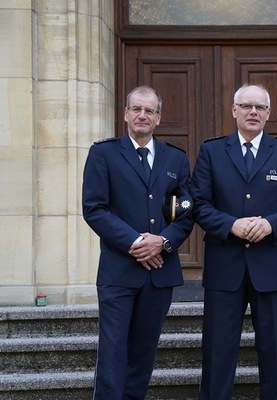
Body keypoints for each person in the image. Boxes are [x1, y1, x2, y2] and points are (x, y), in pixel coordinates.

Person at [190, 84, 277, 400]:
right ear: (234, 110)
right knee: (217, 351)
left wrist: (270, 224)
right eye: (246, 106)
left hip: (270, 265)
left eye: (259, 107)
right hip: (224, 266)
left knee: (272, 351)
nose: (253, 112)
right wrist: (231, 225)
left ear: (268, 113)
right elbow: (199, 203)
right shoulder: (211, 151)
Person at [82, 85, 194, 399]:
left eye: (149, 111)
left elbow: (186, 209)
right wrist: (136, 242)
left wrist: (163, 241)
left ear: (158, 118)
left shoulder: (176, 158)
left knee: (143, 354)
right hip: (119, 272)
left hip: (159, 274)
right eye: (136, 109)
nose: (142, 115)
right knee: (113, 352)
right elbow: (94, 209)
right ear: (126, 114)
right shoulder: (103, 153)